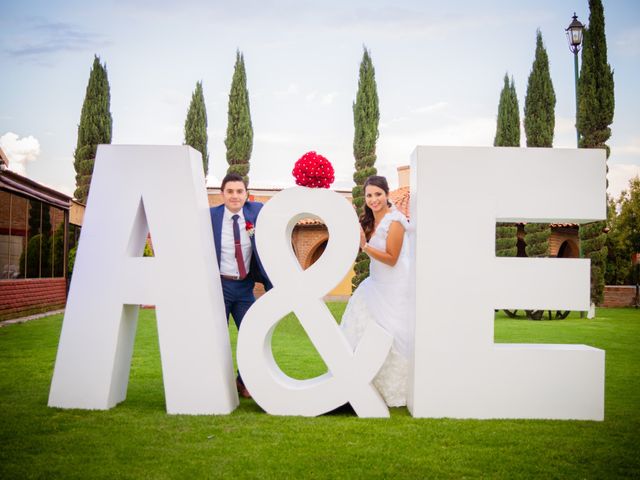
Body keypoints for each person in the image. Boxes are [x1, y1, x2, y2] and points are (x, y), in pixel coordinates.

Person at [340, 175, 412, 407]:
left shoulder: (396, 222)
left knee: (393, 334)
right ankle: (358, 383)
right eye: (369, 195)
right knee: (359, 326)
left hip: (394, 288)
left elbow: (391, 258)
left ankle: (396, 389)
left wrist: (365, 246)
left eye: (378, 194)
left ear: (387, 194)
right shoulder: (368, 222)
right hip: (374, 284)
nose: (373, 200)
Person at [210, 173, 272, 399]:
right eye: (230, 191)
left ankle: (243, 380)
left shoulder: (256, 212)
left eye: (239, 191)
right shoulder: (210, 217)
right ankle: (216, 381)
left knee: (252, 335)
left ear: (247, 194)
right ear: (222, 194)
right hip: (218, 287)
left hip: (245, 287)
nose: (235, 196)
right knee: (216, 336)